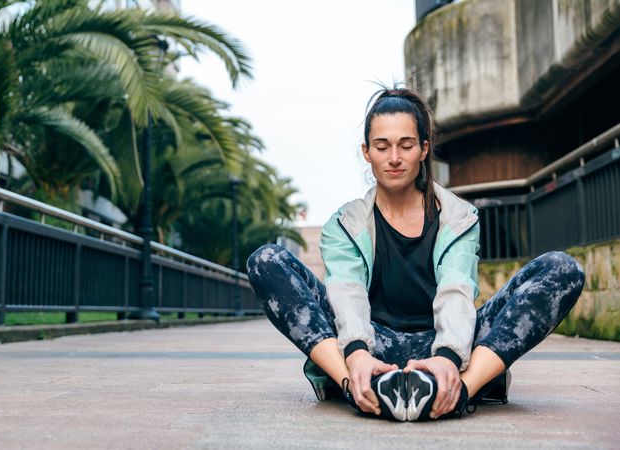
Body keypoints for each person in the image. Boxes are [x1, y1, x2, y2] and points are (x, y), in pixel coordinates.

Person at [245, 87, 585, 422]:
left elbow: (456, 291)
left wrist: (449, 357)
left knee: (561, 269)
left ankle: (458, 390)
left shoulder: (458, 217)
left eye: (406, 145)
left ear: (423, 149)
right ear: (366, 152)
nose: (394, 157)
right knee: (266, 261)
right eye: (382, 146)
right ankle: (355, 384)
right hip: (371, 345)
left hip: (446, 348)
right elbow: (346, 293)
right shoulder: (346, 224)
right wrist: (358, 355)